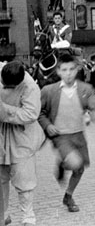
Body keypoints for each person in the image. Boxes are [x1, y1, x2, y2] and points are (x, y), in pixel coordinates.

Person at [38, 54, 95, 214]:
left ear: (76, 70)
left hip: (78, 135)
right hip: (60, 136)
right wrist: (47, 126)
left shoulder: (85, 89)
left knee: (79, 169)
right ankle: (63, 165)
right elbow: (39, 112)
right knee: (75, 163)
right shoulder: (49, 91)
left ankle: (68, 196)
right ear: (59, 71)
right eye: (64, 70)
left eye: (71, 69)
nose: (68, 73)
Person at [0, 61, 44, 226]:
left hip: (21, 133)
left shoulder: (30, 87)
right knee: (0, 176)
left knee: (24, 177)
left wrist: (3, 110)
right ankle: (3, 214)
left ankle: (28, 217)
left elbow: (30, 114)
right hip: (0, 132)